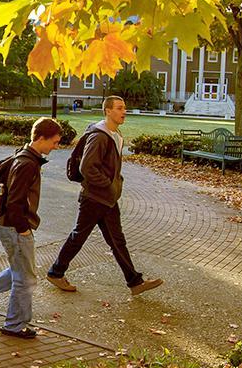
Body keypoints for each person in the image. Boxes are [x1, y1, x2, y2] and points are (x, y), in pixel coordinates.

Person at [47, 96, 163, 296]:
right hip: (94, 198)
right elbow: (87, 167)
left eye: (124, 108)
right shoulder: (100, 136)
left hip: (106, 199)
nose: (124, 111)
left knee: (117, 240)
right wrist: (108, 185)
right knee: (79, 236)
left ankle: (134, 282)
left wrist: (113, 186)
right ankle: (56, 272)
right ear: (108, 111)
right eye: (119, 108)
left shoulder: (114, 133)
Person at [0, 117, 63, 339]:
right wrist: (23, 229)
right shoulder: (27, 164)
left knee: (21, 270)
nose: (56, 146)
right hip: (15, 228)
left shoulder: (24, 156)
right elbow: (15, 203)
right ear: (41, 138)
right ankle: (13, 325)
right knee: (26, 278)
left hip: (9, 226)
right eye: (55, 142)